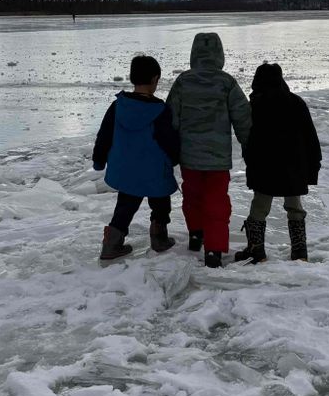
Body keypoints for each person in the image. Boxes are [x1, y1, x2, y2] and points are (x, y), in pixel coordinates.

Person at [166, 32, 252, 268]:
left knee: (192, 196)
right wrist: (248, 146)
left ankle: (196, 234)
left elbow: (170, 116)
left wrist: (170, 147)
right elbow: (243, 117)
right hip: (217, 159)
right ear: (220, 54)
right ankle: (213, 249)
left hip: (189, 157)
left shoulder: (183, 81)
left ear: (194, 54)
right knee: (216, 201)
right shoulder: (226, 82)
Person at [92, 55, 180, 261]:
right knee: (161, 204)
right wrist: (175, 158)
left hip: (127, 170)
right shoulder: (160, 110)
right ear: (155, 79)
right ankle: (159, 238)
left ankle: (111, 244)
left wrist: (99, 160)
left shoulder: (118, 106)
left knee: (125, 206)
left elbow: (104, 135)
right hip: (154, 170)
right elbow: (169, 140)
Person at [234, 62, 321, 263]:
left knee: (260, 207)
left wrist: (250, 163)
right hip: (294, 167)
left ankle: (256, 251)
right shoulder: (296, 102)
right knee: (295, 207)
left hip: (265, 167)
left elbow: (248, 139)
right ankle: (300, 253)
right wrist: (312, 166)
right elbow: (311, 138)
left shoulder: (255, 105)